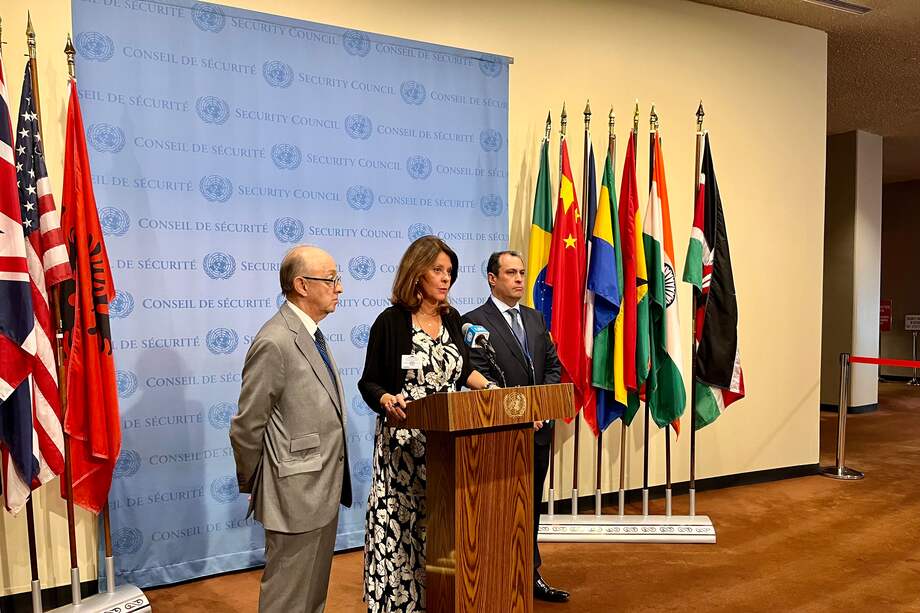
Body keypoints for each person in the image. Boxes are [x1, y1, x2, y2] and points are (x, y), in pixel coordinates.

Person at [358, 235, 494, 612]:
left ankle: (441, 602)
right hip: (402, 452)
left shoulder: (452, 318)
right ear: (417, 273)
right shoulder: (391, 322)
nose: (446, 278)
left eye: (449, 271)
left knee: (440, 536)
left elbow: (463, 369)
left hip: (444, 450)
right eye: (437, 270)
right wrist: (385, 399)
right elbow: (369, 381)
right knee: (402, 534)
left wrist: (492, 390)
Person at [230, 245, 352, 613]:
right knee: (287, 600)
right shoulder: (275, 340)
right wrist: (257, 482)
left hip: (321, 488)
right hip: (294, 494)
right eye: (330, 279)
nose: (339, 287)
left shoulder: (311, 334)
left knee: (312, 596)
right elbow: (247, 425)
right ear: (302, 285)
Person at [461, 250, 571, 603]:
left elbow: (552, 366)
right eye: (511, 273)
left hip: (538, 432)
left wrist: (540, 407)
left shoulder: (535, 318)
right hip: (501, 434)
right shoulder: (473, 322)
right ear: (492, 278)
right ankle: (496, 575)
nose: (520, 279)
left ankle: (529, 572)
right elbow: (480, 374)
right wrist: (521, 411)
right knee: (499, 508)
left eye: (522, 272)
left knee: (530, 506)